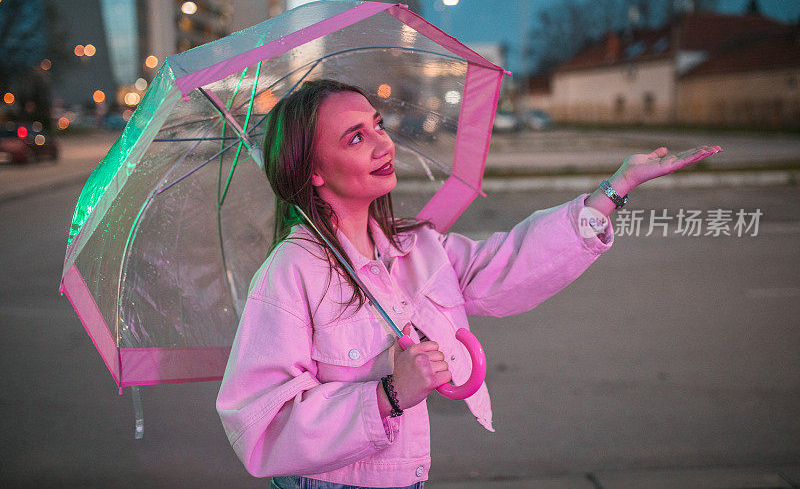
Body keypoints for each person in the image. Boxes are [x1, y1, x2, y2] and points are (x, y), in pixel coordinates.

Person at [216, 79, 722, 489]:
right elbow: (262, 423)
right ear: (314, 171)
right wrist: (388, 395)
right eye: (355, 137)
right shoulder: (293, 271)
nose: (383, 142)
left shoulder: (414, 249)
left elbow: (508, 266)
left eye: (378, 124)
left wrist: (617, 188)